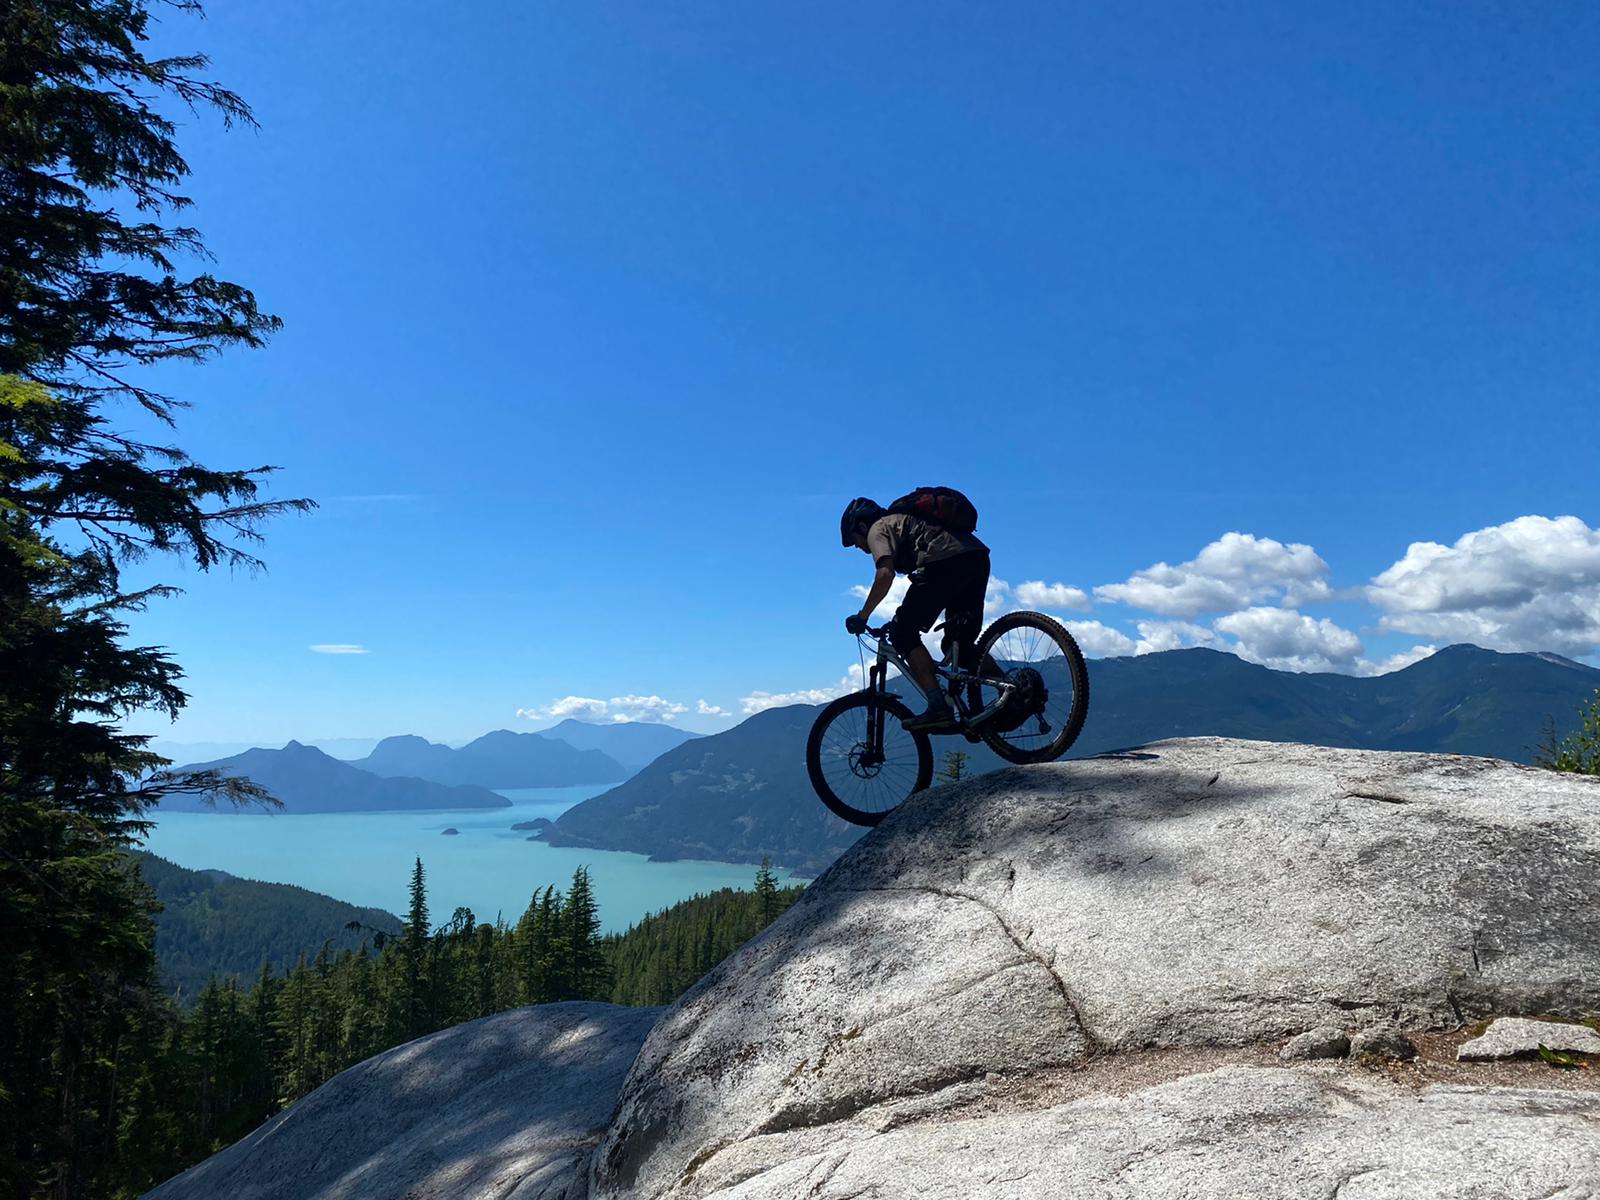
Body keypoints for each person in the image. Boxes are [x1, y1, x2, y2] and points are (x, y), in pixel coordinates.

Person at [840, 496, 991, 732]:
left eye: (854, 541)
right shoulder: (907, 523)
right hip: (975, 558)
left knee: (902, 634)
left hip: (945, 562)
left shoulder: (878, 528)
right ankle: (1015, 692)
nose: (859, 547)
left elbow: (885, 575)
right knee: (958, 646)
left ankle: (939, 707)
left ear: (861, 526)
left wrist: (863, 616)